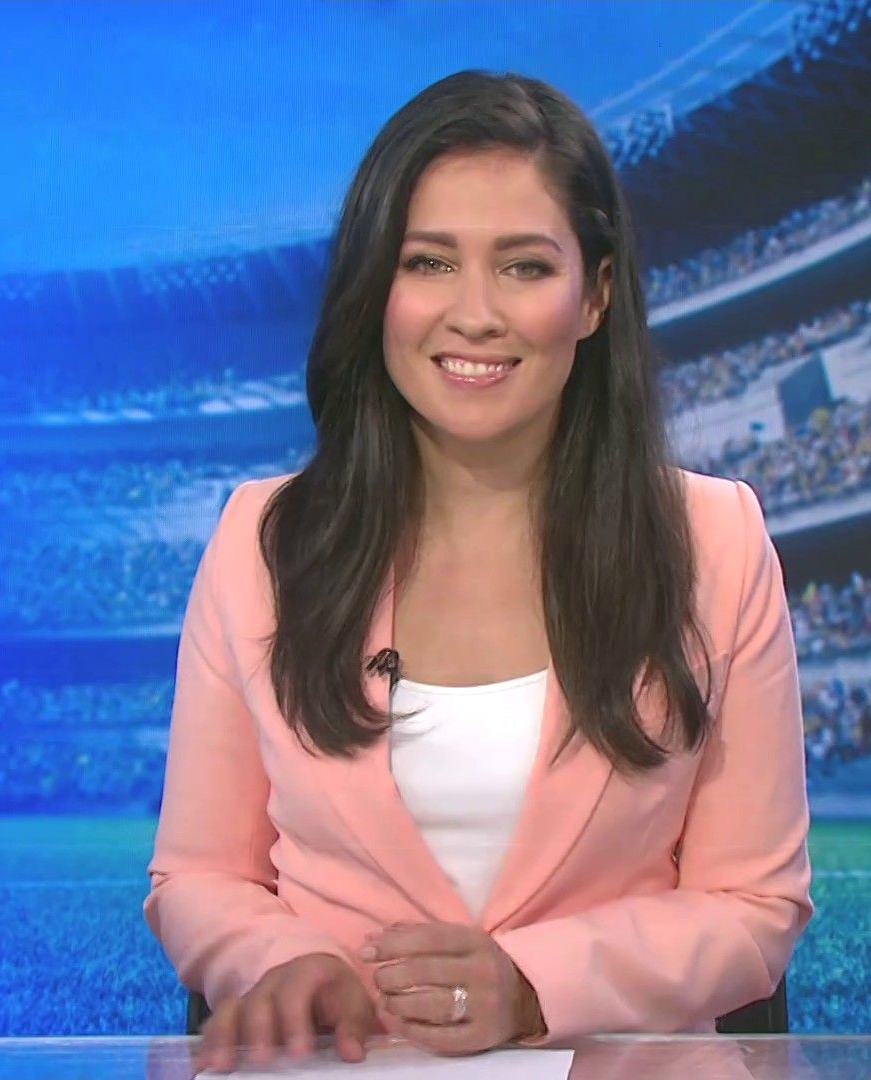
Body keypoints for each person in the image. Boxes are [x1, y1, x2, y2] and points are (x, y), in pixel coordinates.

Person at [143, 70, 812, 1072]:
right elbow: (198, 876)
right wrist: (285, 963)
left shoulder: (716, 540)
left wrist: (536, 985)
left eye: (524, 268)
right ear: (377, 290)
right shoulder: (262, 541)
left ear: (594, 295)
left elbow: (754, 907)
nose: (475, 314)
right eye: (429, 263)